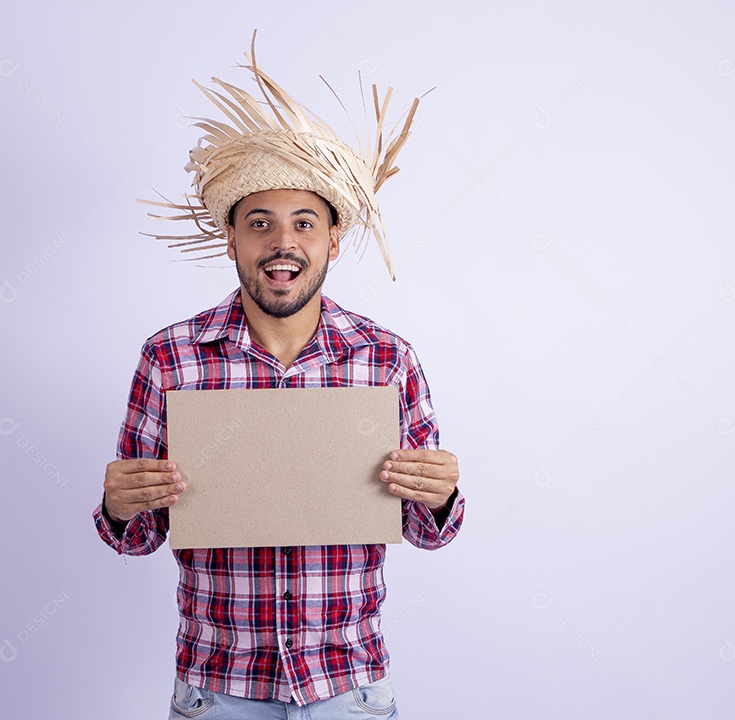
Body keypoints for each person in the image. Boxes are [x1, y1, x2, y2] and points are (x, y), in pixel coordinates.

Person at [94, 34, 465, 718]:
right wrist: (119, 507)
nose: (282, 242)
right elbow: (138, 536)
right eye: (260, 223)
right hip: (218, 689)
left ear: (332, 239)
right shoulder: (172, 358)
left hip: (347, 689)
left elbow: (429, 530)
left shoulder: (386, 360)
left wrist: (441, 495)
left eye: (304, 222)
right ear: (230, 237)